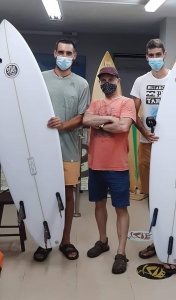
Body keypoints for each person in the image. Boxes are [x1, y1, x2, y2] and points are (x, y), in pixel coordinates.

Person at [33, 38, 90, 262]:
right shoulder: (40, 79)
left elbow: (83, 116)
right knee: (43, 196)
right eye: (61, 52)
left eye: (69, 53)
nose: (64, 56)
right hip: (42, 150)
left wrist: (64, 125)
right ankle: (44, 241)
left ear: (74, 56)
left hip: (68, 150)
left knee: (67, 196)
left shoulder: (82, 84)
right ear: (54, 53)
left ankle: (65, 240)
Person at [130, 38, 176, 274]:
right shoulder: (141, 81)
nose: (155, 58)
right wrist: (144, 132)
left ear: (165, 54)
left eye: (158, 54)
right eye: (151, 55)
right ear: (146, 57)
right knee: (153, 197)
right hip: (147, 145)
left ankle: (174, 242)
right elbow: (132, 112)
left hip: (172, 148)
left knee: (172, 195)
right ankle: (155, 241)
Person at [83, 66, 136, 274]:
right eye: (102, 79)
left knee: (120, 208)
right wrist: (111, 120)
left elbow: (123, 128)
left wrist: (100, 124)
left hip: (117, 166)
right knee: (99, 205)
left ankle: (121, 253)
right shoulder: (95, 103)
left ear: (117, 80)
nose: (106, 82)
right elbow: (86, 120)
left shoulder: (127, 102)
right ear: (99, 82)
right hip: (96, 164)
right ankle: (102, 241)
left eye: (110, 79)